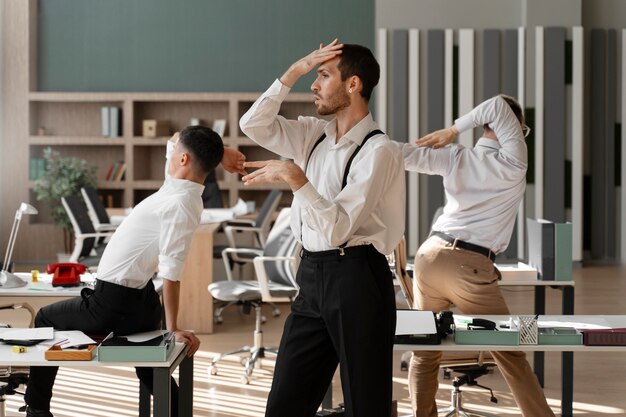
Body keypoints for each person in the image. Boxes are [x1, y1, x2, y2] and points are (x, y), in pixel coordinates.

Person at [22, 125, 246, 417]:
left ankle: (36, 409)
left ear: (183, 161)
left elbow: (172, 271)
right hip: (138, 301)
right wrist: (219, 152)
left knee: (45, 316)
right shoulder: (175, 187)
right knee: (150, 372)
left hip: (115, 305)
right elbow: (176, 140)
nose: (170, 152)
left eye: (175, 153)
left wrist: (174, 326)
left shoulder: (180, 203)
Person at [239, 39, 405, 417]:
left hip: (358, 277)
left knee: (365, 405)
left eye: (324, 75)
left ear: (353, 85)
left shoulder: (380, 151)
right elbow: (252, 124)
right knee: (284, 406)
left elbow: (338, 229)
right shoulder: (312, 134)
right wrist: (293, 71)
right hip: (311, 275)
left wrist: (296, 179)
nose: (313, 85)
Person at [398, 95, 555, 417]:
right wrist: (453, 130)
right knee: (510, 351)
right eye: (521, 130)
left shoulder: (454, 158)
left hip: (428, 256)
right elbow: (499, 104)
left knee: (425, 351)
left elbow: (404, 156)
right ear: (517, 128)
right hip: (466, 263)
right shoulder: (513, 161)